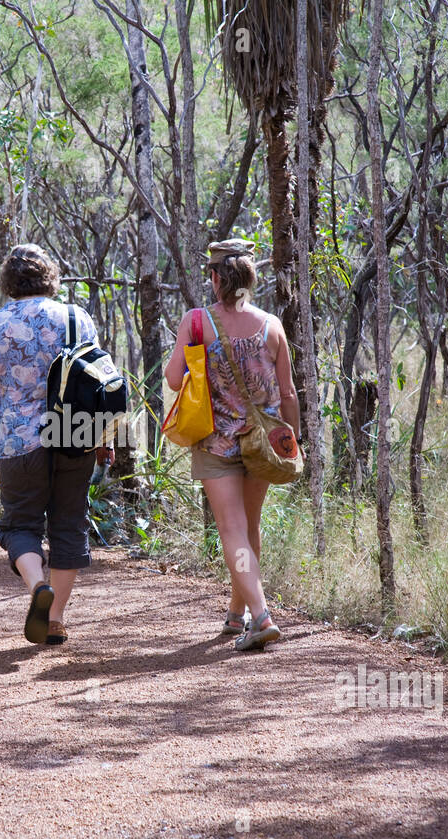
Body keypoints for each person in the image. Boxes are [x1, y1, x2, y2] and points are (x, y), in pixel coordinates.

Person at [0, 243, 113, 646]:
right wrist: (103, 438)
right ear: (50, 276)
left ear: (9, 282)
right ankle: (56, 618)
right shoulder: (77, 318)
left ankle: (36, 588)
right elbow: (99, 381)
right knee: (68, 525)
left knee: (19, 526)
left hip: (19, 442)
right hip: (76, 435)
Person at [163, 239, 299, 651]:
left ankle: (261, 616)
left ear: (216, 278)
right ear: (250, 278)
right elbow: (289, 393)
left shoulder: (197, 322)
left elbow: (172, 379)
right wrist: (292, 442)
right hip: (264, 443)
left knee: (232, 530)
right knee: (247, 529)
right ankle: (236, 613)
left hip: (217, 444)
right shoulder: (272, 325)